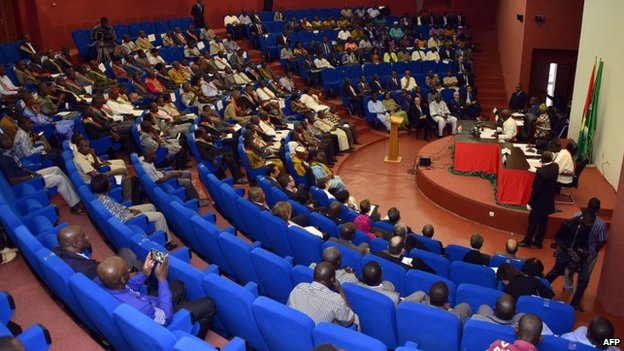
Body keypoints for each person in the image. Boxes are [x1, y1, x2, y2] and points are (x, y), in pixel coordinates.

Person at [96, 255, 216, 339]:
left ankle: (186, 320)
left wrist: (144, 273)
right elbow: (165, 318)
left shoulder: (104, 281)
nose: (129, 269)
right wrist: (162, 279)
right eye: (126, 270)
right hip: (159, 317)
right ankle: (193, 341)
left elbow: (129, 286)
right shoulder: (141, 308)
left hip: (148, 302)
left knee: (178, 285)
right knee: (209, 303)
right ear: (122, 279)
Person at [0, 133, 85, 214]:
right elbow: (13, 181)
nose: (9, 140)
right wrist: (32, 176)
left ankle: (74, 193)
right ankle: (74, 206)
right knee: (59, 179)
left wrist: (32, 172)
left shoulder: (8, 152)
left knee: (56, 169)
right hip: (27, 182)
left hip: (28, 175)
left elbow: (20, 169)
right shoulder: (4, 159)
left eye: (8, 138)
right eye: (5, 140)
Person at [90, 174, 176, 249]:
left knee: (151, 206)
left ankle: (157, 230)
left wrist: (129, 209)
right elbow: (121, 219)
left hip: (125, 212)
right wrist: (133, 213)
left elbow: (116, 209)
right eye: (108, 183)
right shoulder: (105, 201)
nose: (110, 184)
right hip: (129, 220)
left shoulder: (98, 196)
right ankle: (165, 242)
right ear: (104, 186)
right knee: (160, 216)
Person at [544, 209, 595, 310]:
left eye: (591, 222)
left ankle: (574, 303)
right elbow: (558, 238)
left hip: (581, 256)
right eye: (588, 222)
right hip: (566, 252)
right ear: (582, 218)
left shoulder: (590, 226)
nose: (589, 224)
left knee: (584, 279)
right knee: (556, 271)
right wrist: (563, 250)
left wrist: (584, 252)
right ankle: (542, 286)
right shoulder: (570, 224)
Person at [53, 225, 143, 279]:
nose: (88, 237)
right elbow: (111, 282)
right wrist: (128, 275)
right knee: (134, 259)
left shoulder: (57, 250)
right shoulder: (88, 269)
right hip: (114, 281)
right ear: (75, 244)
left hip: (99, 268)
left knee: (125, 251)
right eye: (84, 236)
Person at [287, 261, 357, 327]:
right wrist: (341, 290)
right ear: (333, 280)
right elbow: (349, 320)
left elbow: (288, 306)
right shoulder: (336, 300)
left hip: (291, 327)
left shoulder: (299, 287)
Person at [563, 198, 607, 295]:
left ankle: (568, 288)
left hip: (574, 249)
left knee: (569, 269)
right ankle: (577, 294)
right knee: (584, 276)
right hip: (590, 253)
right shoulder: (602, 225)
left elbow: (568, 230)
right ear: (598, 209)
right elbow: (602, 239)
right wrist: (595, 250)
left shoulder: (576, 216)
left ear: (587, 205)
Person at [140, 146, 209, 207]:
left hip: (162, 174)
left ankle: (189, 194)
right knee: (187, 182)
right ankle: (197, 201)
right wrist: (171, 174)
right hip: (164, 182)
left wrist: (163, 171)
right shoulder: (146, 168)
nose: (156, 156)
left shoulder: (146, 160)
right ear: (148, 156)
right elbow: (157, 181)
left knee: (188, 173)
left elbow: (155, 170)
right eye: (154, 155)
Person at [520, 151, 559, 249]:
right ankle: (539, 241)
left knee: (533, 222)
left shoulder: (541, 174)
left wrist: (530, 203)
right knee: (543, 223)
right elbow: (547, 172)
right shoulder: (555, 167)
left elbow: (536, 190)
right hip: (548, 202)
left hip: (539, 203)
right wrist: (537, 171)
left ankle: (527, 241)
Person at [472, 294, 553, 335]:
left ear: (494, 309)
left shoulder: (476, 320)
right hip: (512, 322)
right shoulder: (523, 330)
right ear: (514, 313)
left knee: (484, 307)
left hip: (489, 320)